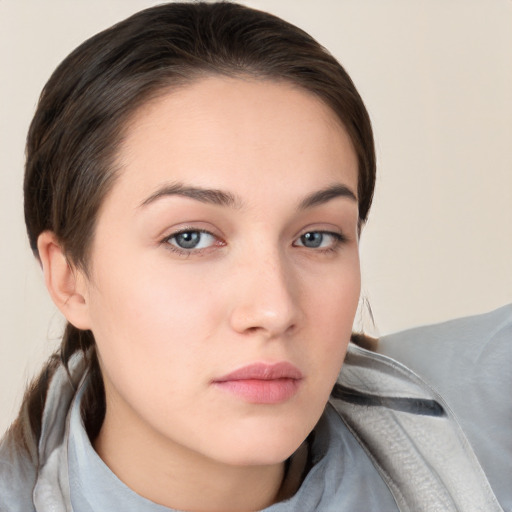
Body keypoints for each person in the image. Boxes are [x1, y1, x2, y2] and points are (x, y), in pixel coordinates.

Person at [0, 2, 509, 511]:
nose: (275, 309)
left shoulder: (480, 412)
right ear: (69, 278)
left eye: (315, 238)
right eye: (191, 238)